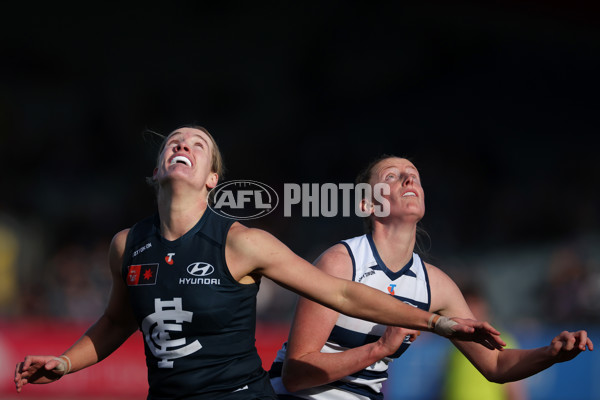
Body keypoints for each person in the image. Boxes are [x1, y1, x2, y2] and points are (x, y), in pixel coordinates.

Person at [14, 127, 505, 400]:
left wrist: (436, 322)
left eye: (197, 144)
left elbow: (341, 293)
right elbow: (116, 322)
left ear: (213, 179)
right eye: (173, 142)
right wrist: (64, 362)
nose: (182, 145)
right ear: (157, 170)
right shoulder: (126, 244)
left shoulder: (243, 242)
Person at [269, 154, 594, 400]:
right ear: (368, 203)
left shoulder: (435, 285)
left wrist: (551, 354)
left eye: (414, 176)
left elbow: (496, 366)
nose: (409, 180)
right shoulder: (340, 262)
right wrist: (379, 349)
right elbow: (296, 374)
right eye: (393, 176)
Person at [442, 284, 528, 400]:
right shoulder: (455, 342)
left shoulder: (501, 339)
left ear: (484, 307)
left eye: (474, 304)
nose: (471, 310)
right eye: (467, 305)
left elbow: (514, 387)